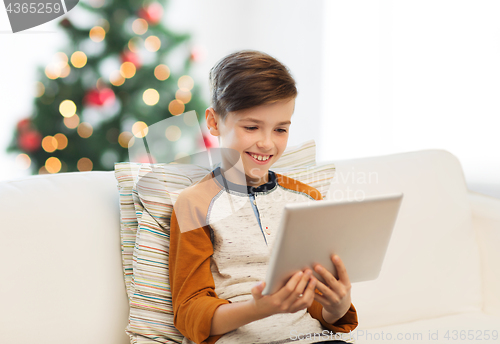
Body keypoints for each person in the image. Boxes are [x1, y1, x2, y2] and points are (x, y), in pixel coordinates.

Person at [168, 50, 358, 344]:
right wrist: (260, 308)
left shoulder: (306, 198)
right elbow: (190, 311)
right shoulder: (195, 203)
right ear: (214, 122)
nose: (267, 143)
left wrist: (337, 306)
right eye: (252, 127)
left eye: (280, 129)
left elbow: (317, 307)